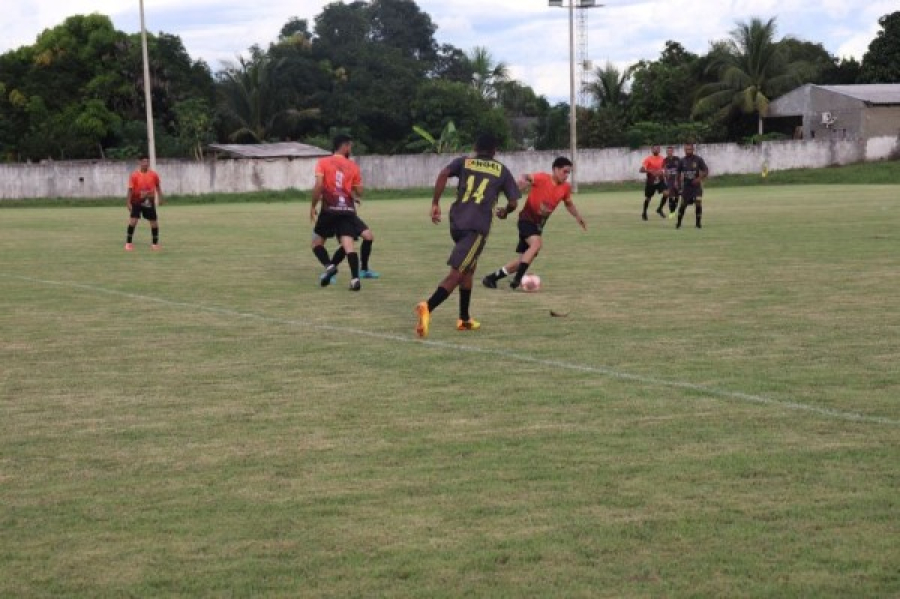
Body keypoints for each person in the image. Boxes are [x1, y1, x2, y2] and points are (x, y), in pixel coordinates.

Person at [415, 134, 521, 338]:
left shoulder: (464, 162)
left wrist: (435, 203)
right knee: (458, 273)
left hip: (457, 222)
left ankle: (464, 318)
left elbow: (443, 174)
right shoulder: (501, 170)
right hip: (476, 226)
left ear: (475, 147)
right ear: (494, 151)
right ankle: (427, 306)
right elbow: (514, 202)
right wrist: (505, 212)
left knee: (468, 270)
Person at [482, 156, 586, 290]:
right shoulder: (543, 178)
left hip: (538, 226)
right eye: (564, 171)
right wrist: (523, 181)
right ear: (555, 169)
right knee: (537, 244)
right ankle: (517, 279)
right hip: (526, 220)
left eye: (568, 173)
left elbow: (568, 203)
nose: (566, 175)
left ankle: (491, 278)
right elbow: (527, 177)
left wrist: (577, 216)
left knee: (524, 259)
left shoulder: (565, 188)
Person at [309, 133, 367, 290]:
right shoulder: (353, 166)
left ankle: (329, 266)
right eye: (350, 146)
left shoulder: (323, 162)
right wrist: (354, 193)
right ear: (345, 146)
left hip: (329, 208)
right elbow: (359, 191)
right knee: (348, 245)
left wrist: (313, 205)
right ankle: (355, 279)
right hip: (347, 209)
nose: (350, 149)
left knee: (316, 244)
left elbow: (319, 186)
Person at [125, 155, 163, 251]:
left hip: (149, 201)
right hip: (136, 201)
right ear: (139, 162)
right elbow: (130, 189)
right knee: (133, 221)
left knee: (154, 222)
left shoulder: (154, 175)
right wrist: (128, 202)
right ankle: (128, 243)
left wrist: (161, 197)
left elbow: (158, 187)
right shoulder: (134, 175)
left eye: (147, 161)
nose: (145, 163)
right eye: (143, 161)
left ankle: (155, 244)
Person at [675, 142, 709, 229]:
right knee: (683, 205)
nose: (688, 151)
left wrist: (699, 179)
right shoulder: (682, 161)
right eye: (686, 149)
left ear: (693, 149)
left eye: (689, 149)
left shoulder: (698, 159)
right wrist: (677, 183)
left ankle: (698, 224)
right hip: (686, 186)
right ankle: (678, 223)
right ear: (684, 150)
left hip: (696, 186)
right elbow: (678, 173)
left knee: (698, 202)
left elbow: (706, 170)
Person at [639, 144, 667, 220]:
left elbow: (665, 169)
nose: (656, 150)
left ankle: (659, 209)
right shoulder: (648, 159)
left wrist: (663, 172)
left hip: (660, 181)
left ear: (659, 150)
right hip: (651, 182)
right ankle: (644, 212)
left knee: (666, 193)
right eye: (654, 149)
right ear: (652, 150)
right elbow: (641, 170)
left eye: (658, 149)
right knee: (648, 198)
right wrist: (650, 171)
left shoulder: (663, 159)